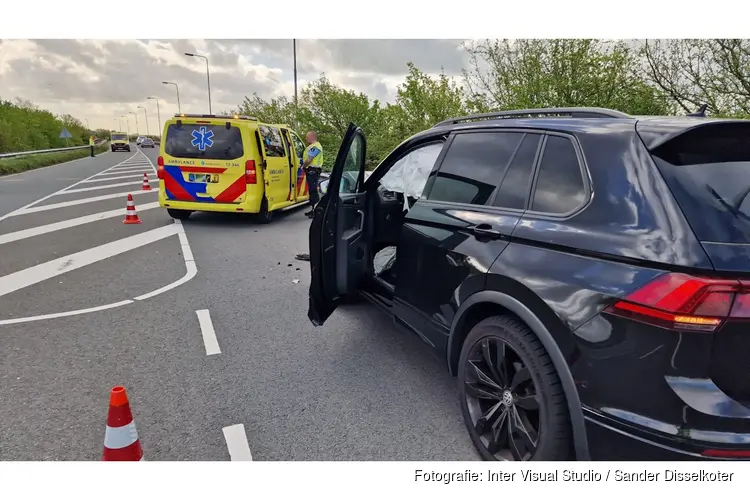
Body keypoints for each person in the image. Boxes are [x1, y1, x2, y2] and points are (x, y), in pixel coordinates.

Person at [302, 131, 323, 218]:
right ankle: (313, 210)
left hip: (313, 170)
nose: (306, 139)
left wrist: (304, 166)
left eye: (307, 137)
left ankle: (316, 211)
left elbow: (309, 159)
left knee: (313, 190)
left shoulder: (316, 147)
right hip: (312, 170)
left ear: (312, 137)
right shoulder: (313, 146)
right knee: (312, 190)